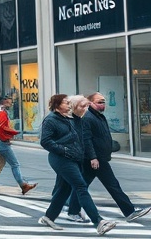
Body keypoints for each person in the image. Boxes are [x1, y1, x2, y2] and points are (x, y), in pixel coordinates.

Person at [38, 94, 117, 236]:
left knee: (64, 189)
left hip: (74, 158)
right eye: (65, 102)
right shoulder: (50, 120)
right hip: (61, 159)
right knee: (80, 186)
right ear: (57, 105)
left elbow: (81, 139)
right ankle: (98, 221)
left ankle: (48, 217)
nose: (68, 104)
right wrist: (63, 150)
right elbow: (45, 141)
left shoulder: (70, 119)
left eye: (69, 102)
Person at [65, 92, 149, 223]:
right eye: (99, 102)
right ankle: (129, 211)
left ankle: (73, 211)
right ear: (90, 103)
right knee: (112, 185)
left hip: (98, 158)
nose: (102, 104)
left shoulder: (98, 116)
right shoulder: (88, 117)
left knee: (82, 186)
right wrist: (93, 157)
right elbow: (86, 139)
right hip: (96, 159)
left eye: (104, 102)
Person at [0, 96, 37, 195]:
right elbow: (2, 128)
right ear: (5, 102)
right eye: (10, 102)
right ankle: (23, 185)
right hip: (2, 143)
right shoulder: (1, 113)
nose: (11, 104)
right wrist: (13, 133)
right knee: (15, 164)